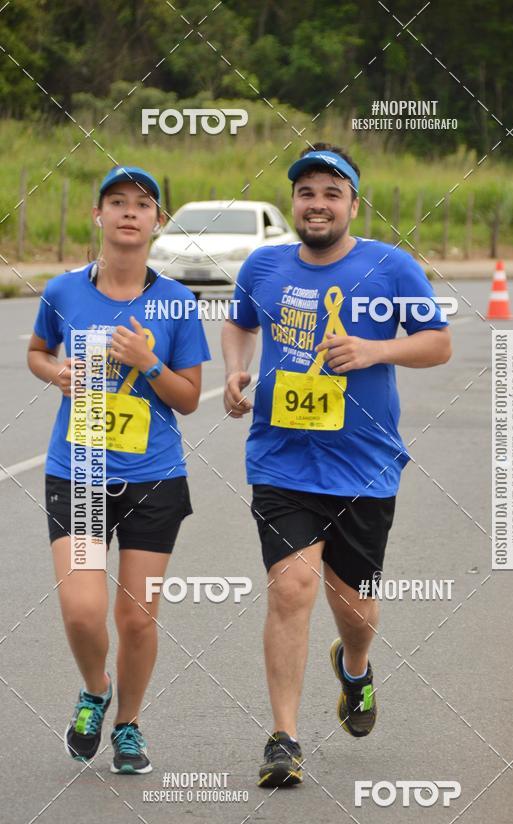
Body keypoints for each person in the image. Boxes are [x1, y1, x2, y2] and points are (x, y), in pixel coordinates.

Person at [222, 144, 451, 787]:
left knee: (354, 607)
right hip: (280, 460)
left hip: (364, 466)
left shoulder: (390, 267)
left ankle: (354, 668)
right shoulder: (263, 267)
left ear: (353, 202)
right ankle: (284, 738)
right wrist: (236, 369)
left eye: (331, 192)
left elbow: (438, 343)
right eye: (306, 192)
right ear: (292, 202)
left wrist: (374, 348)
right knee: (291, 588)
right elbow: (240, 325)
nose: (317, 203)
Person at [28, 166, 210, 774]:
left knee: (136, 615)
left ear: (158, 222)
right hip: (77, 474)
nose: (129, 212)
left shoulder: (178, 303)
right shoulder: (63, 293)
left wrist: (149, 362)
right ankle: (94, 689)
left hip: (154, 479)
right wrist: (54, 372)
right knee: (83, 609)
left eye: (143, 204)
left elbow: (188, 397)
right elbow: (37, 352)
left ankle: (128, 726)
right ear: (98, 217)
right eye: (117, 202)